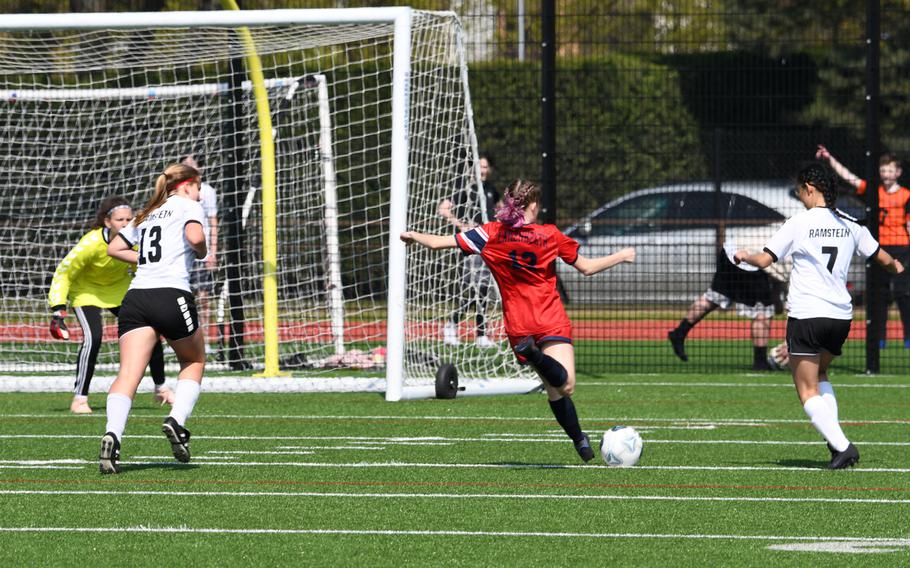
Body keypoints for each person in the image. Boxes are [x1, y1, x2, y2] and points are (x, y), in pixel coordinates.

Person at [401, 179, 636, 463]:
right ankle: (540, 362)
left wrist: (414, 235)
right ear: (534, 205)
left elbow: (439, 243)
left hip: (519, 327)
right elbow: (586, 268)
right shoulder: (549, 235)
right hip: (550, 319)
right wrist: (622, 255)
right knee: (567, 384)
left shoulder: (490, 234)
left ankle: (580, 441)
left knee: (554, 390)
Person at [735, 163, 903, 469]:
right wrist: (898, 268)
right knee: (821, 375)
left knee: (806, 389)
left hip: (808, 314)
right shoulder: (850, 223)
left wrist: (744, 254)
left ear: (810, 188)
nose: (799, 197)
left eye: (800, 191)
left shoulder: (798, 223)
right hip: (840, 317)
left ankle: (843, 446)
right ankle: (835, 441)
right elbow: (885, 259)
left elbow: (763, 259)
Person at [99, 163, 208, 474]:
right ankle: (176, 420)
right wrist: (200, 251)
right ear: (187, 185)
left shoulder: (147, 211)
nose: (199, 193)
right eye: (198, 187)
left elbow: (114, 248)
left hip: (136, 298)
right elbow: (195, 236)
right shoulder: (189, 205)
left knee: (128, 374)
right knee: (194, 360)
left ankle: (113, 435)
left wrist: (145, 257)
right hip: (171, 293)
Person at [48, 196, 173, 414]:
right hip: (87, 293)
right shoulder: (90, 243)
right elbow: (64, 273)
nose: (126, 223)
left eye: (129, 218)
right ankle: (80, 398)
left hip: (119, 291)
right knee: (93, 337)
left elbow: (144, 267)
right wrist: (58, 308)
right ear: (107, 222)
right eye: (120, 220)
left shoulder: (136, 239)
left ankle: (160, 388)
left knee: (152, 332)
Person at [816, 145, 910, 348]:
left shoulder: (906, 195)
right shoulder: (874, 191)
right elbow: (850, 178)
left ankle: (908, 338)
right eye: (884, 170)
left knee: (903, 294)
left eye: (891, 170)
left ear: (898, 172)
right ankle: (880, 339)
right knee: (880, 296)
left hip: (902, 247)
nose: (886, 174)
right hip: (879, 248)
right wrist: (830, 158)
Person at [668, 237, 778, 370]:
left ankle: (680, 332)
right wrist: (777, 297)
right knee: (762, 310)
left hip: (730, 251)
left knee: (713, 297)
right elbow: (778, 273)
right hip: (752, 260)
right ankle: (760, 363)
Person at [437, 154, 499, 348]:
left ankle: (480, 334)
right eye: (480, 166)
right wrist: (462, 226)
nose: (483, 170)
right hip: (473, 243)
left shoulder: (490, 190)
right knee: (473, 287)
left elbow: (498, 210)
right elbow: (444, 209)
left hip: (489, 243)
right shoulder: (466, 189)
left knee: (482, 288)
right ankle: (452, 324)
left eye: (486, 167)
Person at [180, 153, 218, 355]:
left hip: (200, 250)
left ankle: (205, 339)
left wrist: (212, 252)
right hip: (181, 252)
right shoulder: (175, 194)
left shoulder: (208, 192)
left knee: (204, 296)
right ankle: (181, 338)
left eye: (191, 165)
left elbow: (213, 223)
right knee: (183, 296)